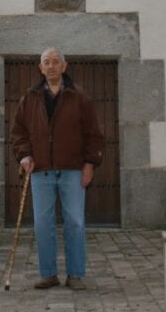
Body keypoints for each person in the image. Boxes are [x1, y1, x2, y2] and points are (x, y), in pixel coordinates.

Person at [10, 47, 104, 290]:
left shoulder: (79, 98)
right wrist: (24, 155)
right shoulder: (29, 98)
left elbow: (94, 135)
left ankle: (75, 274)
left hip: (73, 170)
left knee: (74, 221)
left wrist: (90, 164)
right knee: (43, 224)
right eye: (46, 62)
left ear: (64, 66)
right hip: (40, 171)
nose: (51, 66)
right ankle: (49, 274)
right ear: (40, 68)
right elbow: (18, 133)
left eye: (55, 62)